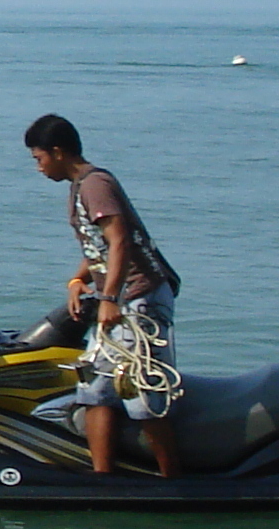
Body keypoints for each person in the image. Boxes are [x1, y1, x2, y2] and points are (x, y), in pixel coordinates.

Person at [25, 113, 184, 477]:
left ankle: (172, 480)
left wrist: (110, 298)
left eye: (39, 159)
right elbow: (97, 246)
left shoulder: (95, 185)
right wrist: (78, 281)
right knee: (95, 391)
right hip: (118, 300)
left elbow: (120, 241)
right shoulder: (80, 186)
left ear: (58, 152)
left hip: (139, 300)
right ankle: (102, 478)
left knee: (143, 395)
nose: (38, 168)